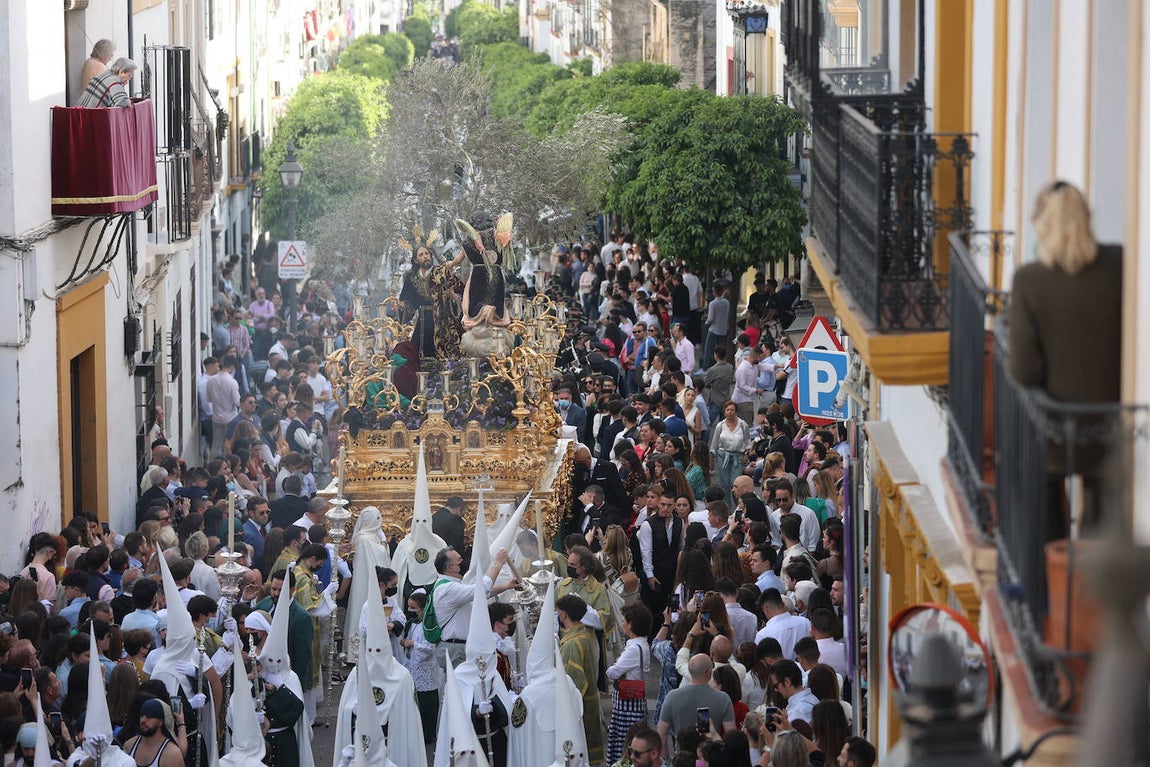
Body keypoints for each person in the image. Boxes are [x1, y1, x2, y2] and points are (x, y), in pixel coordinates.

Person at [1009, 180, 1122, 538]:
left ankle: (1051, 583)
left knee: (1045, 510)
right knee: (1102, 511)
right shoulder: (1120, 263)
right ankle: (1094, 584)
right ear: (1086, 218)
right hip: (1111, 421)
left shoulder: (1030, 280)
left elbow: (1024, 369)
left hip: (1055, 425)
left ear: (1042, 223)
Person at [656, 654, 735, 761]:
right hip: (710, 759)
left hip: (682, 760)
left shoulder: (672, 697)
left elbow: (661, 734)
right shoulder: (723, 698)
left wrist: (666, 761)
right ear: (709, 672)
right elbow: (731, 736)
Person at [556, 594, 604, 765]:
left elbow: (571, 682)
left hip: (580, 707)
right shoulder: (583, 634)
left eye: (559, 612)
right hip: (590, 698)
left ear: (564, 614)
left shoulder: (571, 644)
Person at [399, 241, 466, 357]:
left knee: (447, 354)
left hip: (443, 320)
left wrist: (455, 297)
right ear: (415, 260)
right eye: (421, 255)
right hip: (423, 321)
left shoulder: (443, 273)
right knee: (418, 354)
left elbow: (463, 292)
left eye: (427, 253)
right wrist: (402, 307)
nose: (425, 256)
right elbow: (408, 303)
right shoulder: (411, 278)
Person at [605, 603, 653, 765]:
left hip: (627, 703)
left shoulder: (634, 649)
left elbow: (613, 672)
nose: (622, 623)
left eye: (624, 620)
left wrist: (612, 666)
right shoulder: (641, 644)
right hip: (634, 701)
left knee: (623, 741)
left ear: (632, 624)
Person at [457, 212, 512, 329]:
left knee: (476, 303)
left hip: (479, 275)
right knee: (496, 299)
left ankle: (485, 310)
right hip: (497, 274)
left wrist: (450, 264)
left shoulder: (469, 240)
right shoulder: (498, 236)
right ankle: (495, 315)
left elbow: (459, 259)